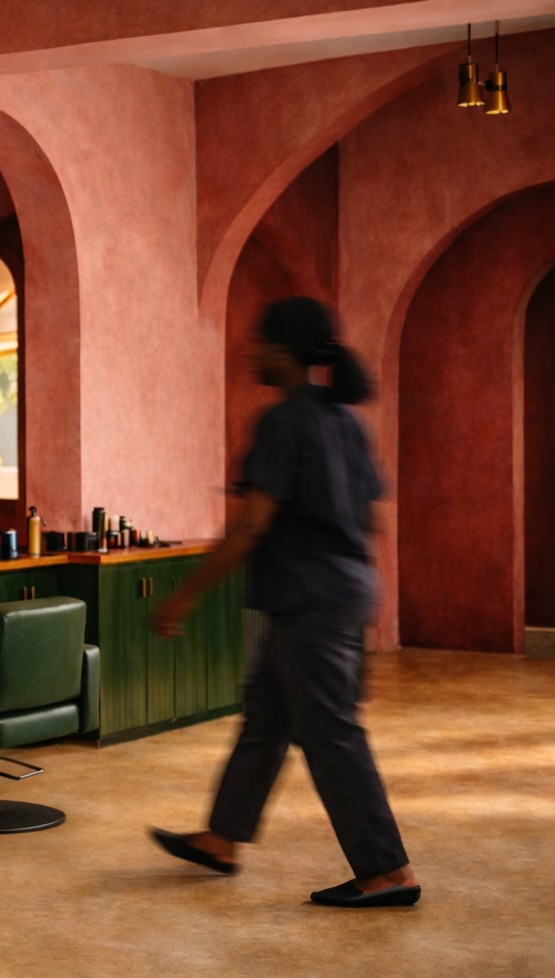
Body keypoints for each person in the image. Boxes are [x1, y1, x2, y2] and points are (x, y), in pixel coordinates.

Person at [149, 297, 419, 908]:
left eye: (259, 342)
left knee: (330, 734)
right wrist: (364, 608)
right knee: (267, 718)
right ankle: (222, 838)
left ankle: (385, 871)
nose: (251, 352)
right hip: (337, 595)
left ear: (282, 352)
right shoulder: (347, 421)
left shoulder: (282, 422)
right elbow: (372, 518)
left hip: (308, 602)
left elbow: (249, 527)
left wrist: (184, 597)